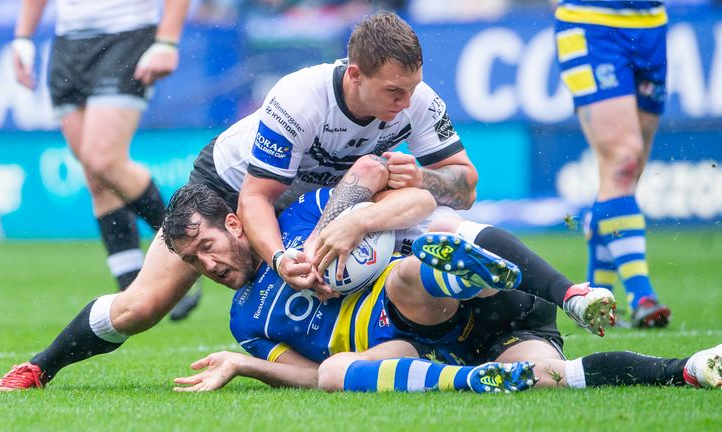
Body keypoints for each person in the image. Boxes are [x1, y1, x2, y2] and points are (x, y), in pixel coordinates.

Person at [0, 10, 491, 390]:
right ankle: (40, 366)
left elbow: (464, 188)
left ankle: (481, 332)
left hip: (321, 192)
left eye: (411, 90)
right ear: (355, 74)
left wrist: (425, 177)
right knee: (141, 307)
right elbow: (256, 197)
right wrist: (278, 258)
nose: (405, 105)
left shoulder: (417, 100)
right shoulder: (302, 98)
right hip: (228, 188)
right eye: (393, 92)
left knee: (418, 209)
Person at [151, 185, 721, 393]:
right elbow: (304, 375)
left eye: (207, 246)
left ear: (232, 223)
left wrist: (359, 214)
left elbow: (407, 193)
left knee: (413, 262)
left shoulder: (302, 218)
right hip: (445, 344)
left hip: (442, 300)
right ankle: (689, 370)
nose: (207, 264)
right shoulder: (245, 323)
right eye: (191, 261)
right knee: (552, 379)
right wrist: (242, 363)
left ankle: (470, 271)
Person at [12, 0, 201, 320]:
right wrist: (23, 37)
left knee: (103, 160)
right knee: (96, 177)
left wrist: (167, 41)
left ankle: (185, 241)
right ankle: (134, 290)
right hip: (68, 43)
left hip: (126, 36)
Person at [554, 0, 671, 327]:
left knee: (625, 177)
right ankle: (642, 295)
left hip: (651, 23)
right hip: (591, 21)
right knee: (623, 160)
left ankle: (598, 294)